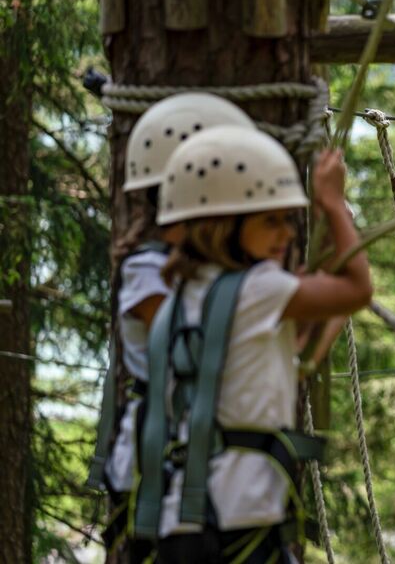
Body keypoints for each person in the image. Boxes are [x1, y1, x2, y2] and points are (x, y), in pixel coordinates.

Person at [133, 126, 371, 562]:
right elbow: (358, 289)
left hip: (182, 519)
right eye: (270, 221)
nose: (286, 234)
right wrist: (335, 206)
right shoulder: (259, 290)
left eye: (286, 219)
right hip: (241, 517)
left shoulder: (183, 296)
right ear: (223, 225)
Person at [88, 93, 255, 561]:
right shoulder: (148, 270)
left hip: (213, 463)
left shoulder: (220, 273)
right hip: (164, 466)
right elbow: (191, 346)